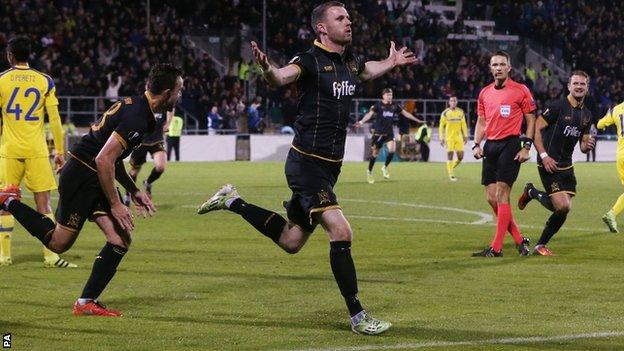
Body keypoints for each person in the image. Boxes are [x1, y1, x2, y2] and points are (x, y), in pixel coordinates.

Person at [198, 1, 417, 335]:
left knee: (291, 240)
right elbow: (280, 77)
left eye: (349, 17)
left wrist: (391, 61)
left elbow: (368, 70)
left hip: (330, 167)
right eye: (340, 18)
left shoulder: (349, 60)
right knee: (341, 231)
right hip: (306, 164)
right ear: (322, 28)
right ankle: (358, 316)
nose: (349, 22)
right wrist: (266, 68)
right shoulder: (309, 61)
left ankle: (232, 200)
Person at [0, 63, 182, 316]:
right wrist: (117, 204)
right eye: (178, 90)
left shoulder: (137, 107)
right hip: (82, 176)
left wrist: (132, 190)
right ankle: (8, 201)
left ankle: (86, 303)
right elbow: (103, 159)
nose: (180, 95)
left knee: (120, 238)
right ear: (165, 93)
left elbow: (111, 158)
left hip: (95, 175)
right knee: (58, 243)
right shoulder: (138, 119)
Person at [0, 36, 77, 268]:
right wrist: (60, 151)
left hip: (9, 151)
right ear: (29, 55)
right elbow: (54, 119)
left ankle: (4, 256)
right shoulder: (45, 81)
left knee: (5, 202)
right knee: (43, 205)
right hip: (37, 151)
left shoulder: (2, 80)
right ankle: (51, 256)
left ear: (10, 55)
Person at [517, 71, 596, 255]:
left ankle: (531, 193)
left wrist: (588, 145)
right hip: (548, 162)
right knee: (562, 206)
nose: (578, 87)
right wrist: (543, 155)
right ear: (569, 86)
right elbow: (535, 128)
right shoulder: (557, 107)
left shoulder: (587, 114)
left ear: (587, 87)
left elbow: (583, 146)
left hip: (567, 165)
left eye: (582, 84)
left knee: (563, 209)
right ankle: (540, 243)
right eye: (575, 83)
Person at [471, 51, 536, 257]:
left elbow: (531, 119)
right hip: (490, 145)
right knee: (491, 197)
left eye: (502, 64)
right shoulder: (484, 93)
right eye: (494, 64)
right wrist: (476, 144)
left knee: (502, 194)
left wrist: (526, 147)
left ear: (509, 67)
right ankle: (519, 240)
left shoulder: (520, 90)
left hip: (511, 144)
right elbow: (482, 121)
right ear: (490, 68)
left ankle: (496, 248)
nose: (498, 68)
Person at [354, 88, 422, 184]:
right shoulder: (378, 106)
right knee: (375, 154)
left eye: (391, 94)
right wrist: (361, 122)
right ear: (383, 96)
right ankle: (369, 171)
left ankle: (384, 167)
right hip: (378, 133)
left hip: (389, 133)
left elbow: (405, 113)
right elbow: (369, 115)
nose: (390, 96)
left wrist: (416, 120)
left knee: (392, 150)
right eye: (388, 95)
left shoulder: (394, 106)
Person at [123, 108, 172, 204]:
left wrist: (168, 123)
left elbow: (171, 108)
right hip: (141, 141)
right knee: (134, 172)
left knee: (160, 167)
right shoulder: (142, 105)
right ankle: (127, 196)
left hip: (157, 139)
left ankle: (148, 182)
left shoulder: (163, 102)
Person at [597, 102, 624, 233]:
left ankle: (611, 215)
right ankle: (611, 214)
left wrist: (608, 114)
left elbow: (599, 125)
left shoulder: (616, 109)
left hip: (620, 156)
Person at [439, 96, 468, 181]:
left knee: (460, 157)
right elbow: (441, 126)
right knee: (450, 154)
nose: (453, 102)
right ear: (449, 103)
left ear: (457, 102)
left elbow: (464, 124)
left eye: (454, 101)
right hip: (449, 137)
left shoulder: (461, 112)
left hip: (458, 137)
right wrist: (441, 137)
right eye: (451, 101)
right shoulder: (445, 113)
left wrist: (465, 135)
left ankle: (451, 167)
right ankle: (451, 174)